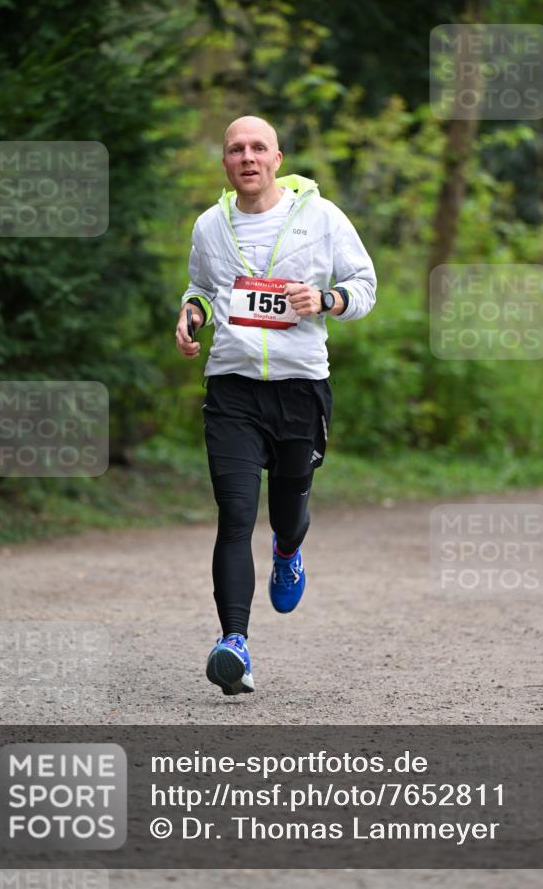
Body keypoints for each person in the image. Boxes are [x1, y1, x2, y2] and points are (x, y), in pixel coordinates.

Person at [175, 115, 376, 695]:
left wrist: (329, 298)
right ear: (225, 163)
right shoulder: (211, 226)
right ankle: (233, 643)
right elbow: (201, 291)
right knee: (235, 515)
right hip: (233, 388)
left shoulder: (321, 217)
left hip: (300, 387)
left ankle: (288, 550)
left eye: (258, 147)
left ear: (278, 159)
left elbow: (364, 285)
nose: (247, 157)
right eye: (236, 149)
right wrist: (191, 317)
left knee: (287, 510)